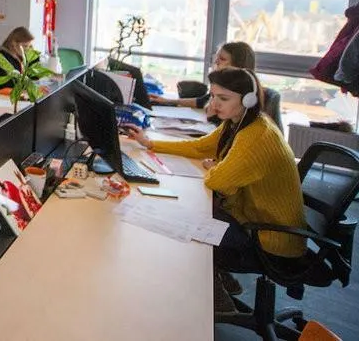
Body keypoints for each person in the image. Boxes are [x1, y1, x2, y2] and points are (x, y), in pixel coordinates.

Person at [122, 67, 305, 277]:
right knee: (184, 215)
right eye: (213, 96)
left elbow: (217, 182)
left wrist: (215, 167)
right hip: (252, 220)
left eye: (224, 98)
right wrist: (149, 143)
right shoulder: (240, 123)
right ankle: (219, 282)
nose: (215, 104)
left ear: (248, 100)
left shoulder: (257, 136)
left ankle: (217, 288)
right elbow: (200, 148)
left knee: (186, 229)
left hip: (272, 243)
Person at [149, 41, 256, 108]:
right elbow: (201, 101)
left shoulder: (241, 93)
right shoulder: (223, 86)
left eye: (222, 59)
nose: (216, 62)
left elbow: (210, 111)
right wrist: (167, 100)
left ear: (238, 65)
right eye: (217, 57)